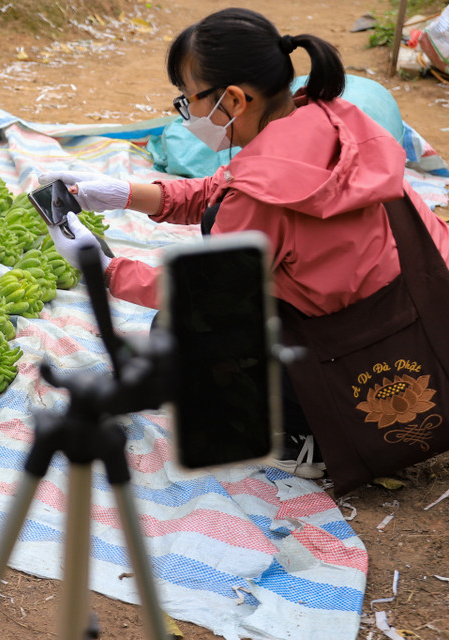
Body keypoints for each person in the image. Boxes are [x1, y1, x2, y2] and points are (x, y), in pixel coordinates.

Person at [42, 8, 449, 493]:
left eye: (188, 99)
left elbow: (202, 291)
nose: (187, 113)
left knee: (177, 337)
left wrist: (106, 270)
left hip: (371, 357)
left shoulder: (262, 193)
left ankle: (314, 436)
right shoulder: (322, 115)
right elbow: (227, 189)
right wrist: (126, 193)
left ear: (233, 98)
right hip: (427, 317)